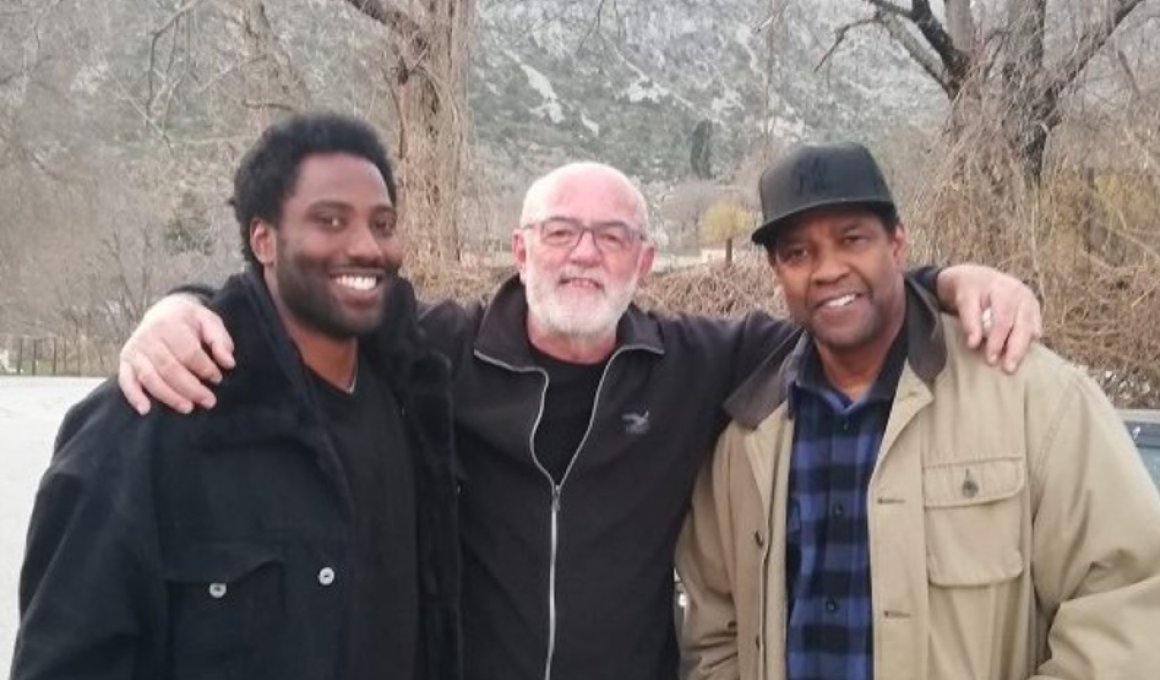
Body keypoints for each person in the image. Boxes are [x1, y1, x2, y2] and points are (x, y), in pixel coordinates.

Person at [113, 160, 1043, 679]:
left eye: (612, 237)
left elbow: (837, 305)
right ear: (521, 251)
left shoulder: (695, 362)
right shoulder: (438, 349)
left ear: (645, 262)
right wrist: (182, 307)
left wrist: (947, 282)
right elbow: (312, 300)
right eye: (560, 232)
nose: (584, 254)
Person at [676, 141, 1160, 680]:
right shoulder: (747, 439)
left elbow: (1127, 598)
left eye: (852, 239)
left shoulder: (1030, 395)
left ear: (898, 244)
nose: (827, 269)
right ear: (777, 271)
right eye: (797, 253)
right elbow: (714, 629)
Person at [11, 113, 461, 680]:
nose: (367, 246)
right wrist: (176, 307)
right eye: (330, 220)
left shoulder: (414, 395)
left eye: (383, 223)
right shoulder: (154, 416)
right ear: (263, 239)